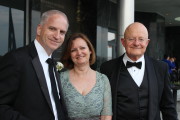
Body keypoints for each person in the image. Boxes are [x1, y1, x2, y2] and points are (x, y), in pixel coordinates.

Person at [100, 22, 178, 120]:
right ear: (123, 42)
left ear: (147, 42)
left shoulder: (161, 68)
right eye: (131, 39)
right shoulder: (107, 68)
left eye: (141, 39)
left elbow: (168, 107)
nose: (136, 43)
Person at [0, 10, 69, 120]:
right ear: (39, 29)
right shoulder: (16, 59)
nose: (57, 36)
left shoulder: (53, 64)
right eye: (52, 29)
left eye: (62, 32)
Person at [60, 33, 112, 120]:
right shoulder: (61, 79)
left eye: (82, 48)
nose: (79, 52)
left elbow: (106, 115)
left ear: (90, 50)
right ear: (70, 54)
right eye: (73, 50)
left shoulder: (103, 80)